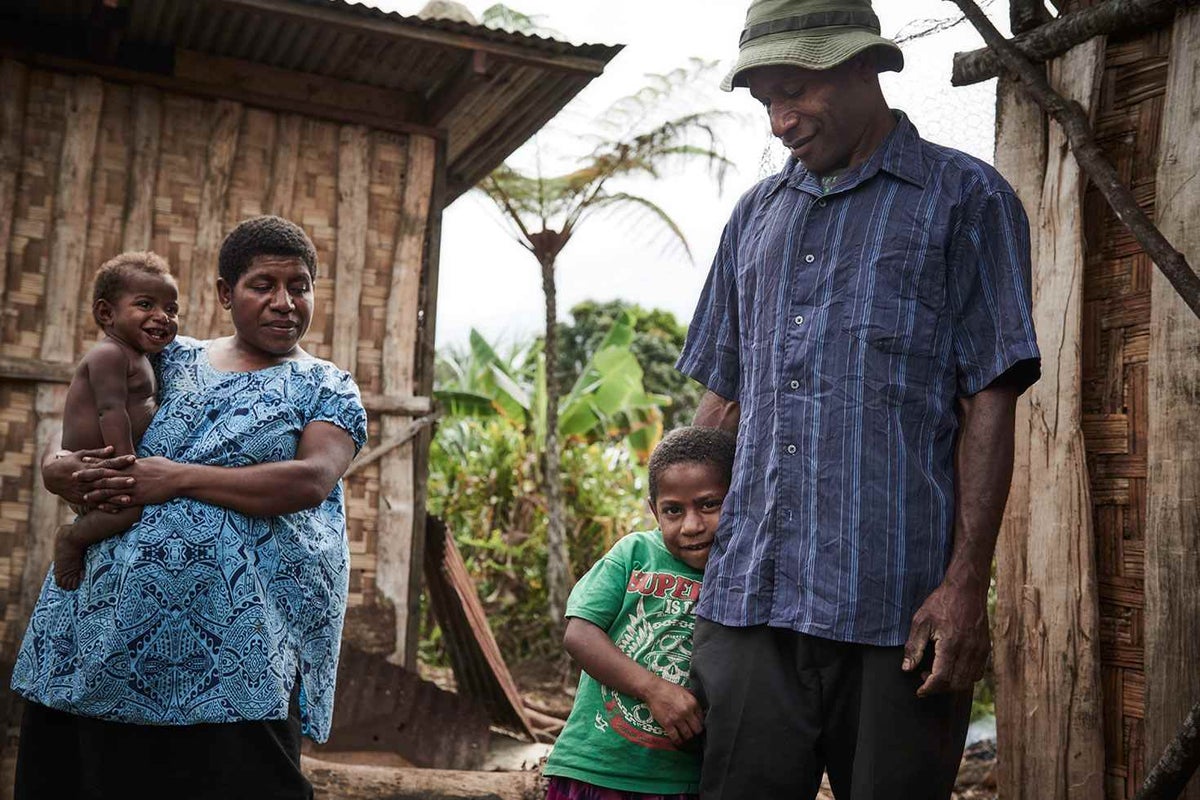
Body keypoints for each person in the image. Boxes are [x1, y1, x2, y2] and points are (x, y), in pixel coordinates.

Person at [676, 1, 1042, 798]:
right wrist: (666, 552)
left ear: (862, 67)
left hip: (899, 612)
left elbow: (991, 396)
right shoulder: (755, 218)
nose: (779, 121)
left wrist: (964, 587)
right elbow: (723, 399)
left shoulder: (965, 200)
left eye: (794, 91)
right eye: (764, 100)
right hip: (750, 605)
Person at [11, 216, 367, 799]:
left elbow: (310, 481)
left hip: (241, 646)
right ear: (226, 293)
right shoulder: (167, 358)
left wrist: (174, 478)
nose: (284, 303)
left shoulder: (326, 386)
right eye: (263, 286)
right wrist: (58, 465)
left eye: (299, 287)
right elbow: (84, 409)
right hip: (104, 625)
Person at [542, 426, 736, 800]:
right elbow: (579, 634)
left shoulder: (740, 572)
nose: (692, 526)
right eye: (673, 511)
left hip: (678, 780)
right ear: (654, 510)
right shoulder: (634, 554)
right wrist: (654, 690)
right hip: (596, 766)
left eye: (709, 504)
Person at [52, 251, 180, 590]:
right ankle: (72, 539)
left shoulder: (139, 355)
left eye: (171, 309)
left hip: (105, 464)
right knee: (132, 509)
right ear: (106, 313)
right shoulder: (109, 354)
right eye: (145, 305)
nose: (162, 317)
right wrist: (126, 463)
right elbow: (110, 410)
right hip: (99, 465)